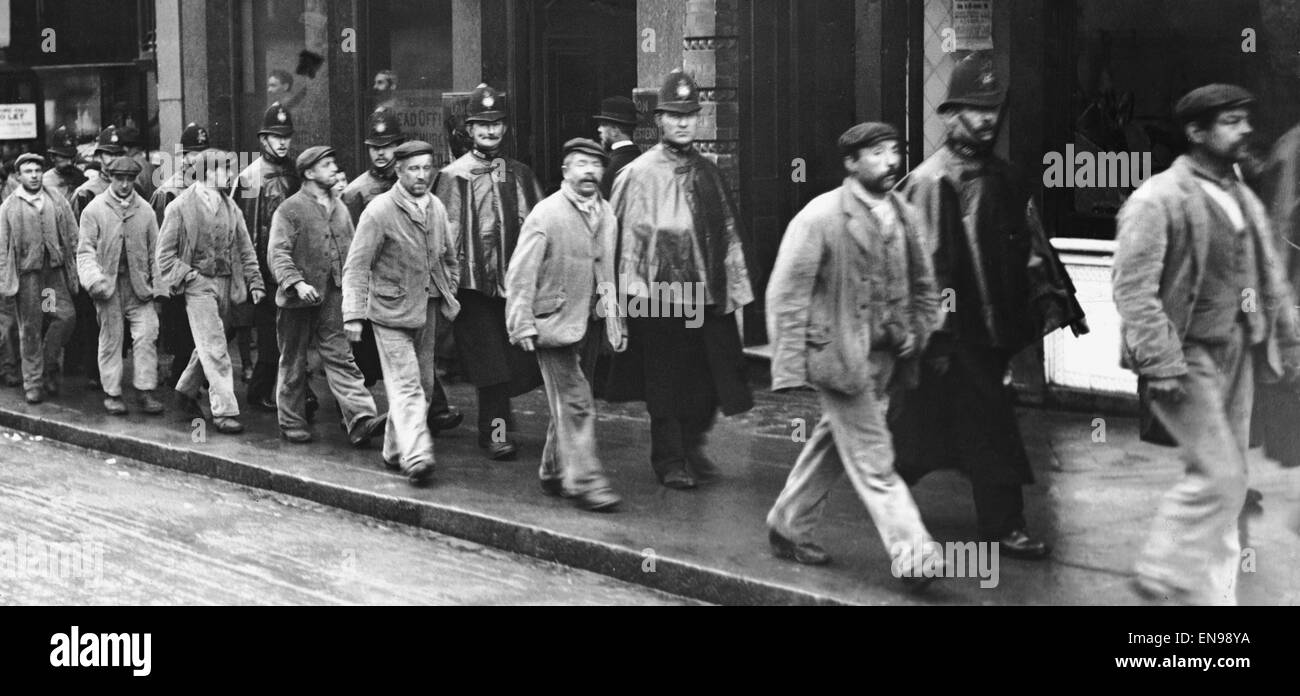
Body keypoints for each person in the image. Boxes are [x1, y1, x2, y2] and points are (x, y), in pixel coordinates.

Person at [893, 54, 1087, 558]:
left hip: (987, 329)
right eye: (975, 108)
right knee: (980, 423)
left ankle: (879, 484)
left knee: (926, 429)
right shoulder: (932, 180)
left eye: (992, 108)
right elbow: (926, 266)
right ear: (951, 112)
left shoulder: (1005, 175)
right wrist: (936, 334)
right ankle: (1002, 524)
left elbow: (1030, 244)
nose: (986, 118)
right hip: (956, 334)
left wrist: (1059, 301)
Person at [1115, 84, 1300, 605]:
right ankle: (1160, 570)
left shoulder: (1243, 196)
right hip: (1187, 354)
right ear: (1196, 133)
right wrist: (1160, 361)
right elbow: (1133, 289)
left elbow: (1271, 280)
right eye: (1230, 121)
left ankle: (1216, 604)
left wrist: (1288, 347)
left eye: (1245, 119)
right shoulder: (1159, 198)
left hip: (1241, 349)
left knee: (1232, 480)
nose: (1245, 129)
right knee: (1219, 476)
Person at [765, 122, 943, 585]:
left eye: (895, 151)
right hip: (839, 359)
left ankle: (788, 523)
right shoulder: (821, 216)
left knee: (834, 443)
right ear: (851, 162)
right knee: (874, 458)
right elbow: (787, 293)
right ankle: (914, 553)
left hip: (886, 360)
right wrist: (787, 368)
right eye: (878, 153)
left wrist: (919, 332)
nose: (890, 162)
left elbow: (926, 284)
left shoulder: (903, 214)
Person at [604, 69, 755, 490]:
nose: (684, 123)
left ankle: (692, 446)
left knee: (707, 374)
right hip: (657, 295)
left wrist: (733, 288)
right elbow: (619, 237)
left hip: (703, 295)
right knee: (664, 377)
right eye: (675, 115)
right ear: (660, 120)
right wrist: (620, 298)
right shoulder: (636, 174)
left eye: (690, 115)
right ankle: (669, 459)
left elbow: (726, 234)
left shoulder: (709, 171)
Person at [505, 138, 626, 512]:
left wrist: (614, 321)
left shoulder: (607, 215)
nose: (589, 172)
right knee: (576, 401)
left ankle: (554, 469)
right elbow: (520, 273)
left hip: (589, 321)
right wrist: (520, 322)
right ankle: (585, 481)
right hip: (552, 322)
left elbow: (607, 272)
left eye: (595, 165)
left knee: (569, 400)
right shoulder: (546, 213)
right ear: (565, 171)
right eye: (580, 164)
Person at [434, 83, 544, 460]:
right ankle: (494, 433)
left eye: (496, 124)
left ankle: (499, 424)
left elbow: (535, 226)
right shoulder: (453, 176)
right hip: (471, 289)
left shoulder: (519, 173)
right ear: (469, 129)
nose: (490, 131)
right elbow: (444, 237)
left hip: (511, 285)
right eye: (482, 125)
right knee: (490, 367)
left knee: (512, 362)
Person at [343, 140, 460, 485]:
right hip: (389, 313)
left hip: (428, 308)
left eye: (427, 168)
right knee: (407, 386)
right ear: (398, 170)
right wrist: (352, 314)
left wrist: (450, 284)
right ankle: (417, 454)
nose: (422, 175)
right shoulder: (379, 211)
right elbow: (356, 266)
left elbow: (449, 255)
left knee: (423, 385)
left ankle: (394, 449)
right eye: (413, 168)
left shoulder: (436, 207)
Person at [267, 145, 388, 446]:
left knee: (341, 357)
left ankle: (360, 418)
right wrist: (295, 283)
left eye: (335, 163)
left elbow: (352, 253)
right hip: (297, 299)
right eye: (327, 165)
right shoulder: (289, 209)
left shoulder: (341, 208)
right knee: (294, 362)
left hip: (333, 296)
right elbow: (277, 253)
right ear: (308, 173)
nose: (335, 169)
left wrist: (353, 293)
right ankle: (291, 421)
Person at [156, 149, 266, 435]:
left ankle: (184, 390)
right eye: (224, 170)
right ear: (207, 172)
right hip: (198, 286)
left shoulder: (231, 207)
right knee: (216, 348)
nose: (230, 175)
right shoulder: (179, 207)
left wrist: (255, 282)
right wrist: (189, 276)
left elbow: (245, 248)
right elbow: (164, 256)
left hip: (227, 285)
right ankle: (224, 411)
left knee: (209, 343)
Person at [75, 156, 164, 415]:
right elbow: (85, 251)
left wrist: (158, 289)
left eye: (129, 179)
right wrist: (93, 279)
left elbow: (155, 252)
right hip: (108, 286)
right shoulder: (94, 210)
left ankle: (145, 391)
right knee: (111, 339)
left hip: (139, 286)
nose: (125, 184)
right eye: (119, 178)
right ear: (109, 178)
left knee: (147, 335)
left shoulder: (145, 210)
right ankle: (112, 393)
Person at [234, 102, 301, 412]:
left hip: (291, 269)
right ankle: (261, 389)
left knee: (291, 336)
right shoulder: (249, 178)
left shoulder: (295, 172)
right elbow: (243, 228)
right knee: (270, 338)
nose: (282, 142)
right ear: (263, 139)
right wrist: (252, 276)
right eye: (276, 137)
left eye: (286, 136)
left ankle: (293, 393)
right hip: (264, 272)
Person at [0, 153, 79, 403]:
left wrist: (74, 267)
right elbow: (2, 248)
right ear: (18, 175)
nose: (33, 175)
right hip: (28, 277)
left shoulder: (56, 199)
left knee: (63, 318)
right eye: (28, 171)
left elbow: (72, 234)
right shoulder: (10, 206)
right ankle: (33, 382)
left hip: (52, 277)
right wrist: (5, 282)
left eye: (37, 170)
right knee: (31, 328)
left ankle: (48, 364)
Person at [151, 122, 210, 387]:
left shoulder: (212, 186)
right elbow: (160, 242)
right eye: (194, 153)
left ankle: (196, 378)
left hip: (205, 269)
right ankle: (180, 382)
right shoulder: (169, 191)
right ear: (184, 157)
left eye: (204, 151)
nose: (200, 158)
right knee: (181, 333)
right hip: (179, 271)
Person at [69, 126, 128, 389]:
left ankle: (110, 375)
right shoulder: (87, 191)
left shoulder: (129, 186)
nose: (112, 159)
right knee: (92, 322)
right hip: (95, 266)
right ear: (99, 157)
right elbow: (77, 237)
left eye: (117, 153)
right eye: (107, 154)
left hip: (123, 267)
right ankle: (93, 373)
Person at [594, 96, 642, 198]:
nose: (599, 129)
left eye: (603, 124)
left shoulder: (609, 168)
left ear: (614, 131)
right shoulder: (643, 159)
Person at [42, 125, 86, 204]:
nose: (69, 162)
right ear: (52, 157)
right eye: (64, 157)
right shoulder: (44, 183)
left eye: (71, 157)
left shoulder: (80, 177)